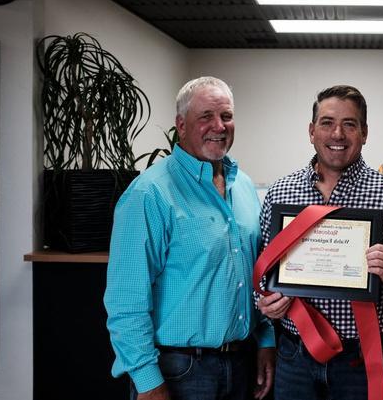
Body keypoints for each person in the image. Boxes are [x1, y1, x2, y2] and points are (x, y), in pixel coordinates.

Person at [256, 85, 383, 400]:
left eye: (349, 124)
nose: (337, 134)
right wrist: (265, 300)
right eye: (327, 123)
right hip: (295, 358)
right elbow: (263, 272)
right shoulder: (279, 194)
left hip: (367, 361)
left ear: (364, 133)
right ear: (311, 131)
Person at [104, 76, 275, 400]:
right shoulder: (149, 194)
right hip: (179, 371)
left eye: (226, 116)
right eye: (206, 116)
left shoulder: (244, 187)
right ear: (181, 125)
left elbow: (257, 276)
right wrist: (148, 383)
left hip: (242, 363)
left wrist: (266, 340)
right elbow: (126, 302)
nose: (219, 126)